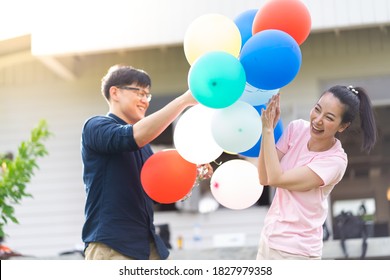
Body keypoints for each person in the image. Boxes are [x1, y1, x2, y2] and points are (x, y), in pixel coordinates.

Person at [81, 64, 212, 260]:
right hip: (112, 247)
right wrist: (183, 101)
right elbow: (132, 136)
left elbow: (157, 191)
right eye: (139, 93)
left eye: (147, 95)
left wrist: (190, 171)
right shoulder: (95, 126)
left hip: (146, 247)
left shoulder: (145, 147)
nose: (145, 100)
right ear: (115, 93)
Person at [257, 85, 377, 260]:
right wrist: (266, 131)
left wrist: (268, 130)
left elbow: (276, 178)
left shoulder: (335, 161)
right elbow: (264, 178)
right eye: (317, 109)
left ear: (342, 126)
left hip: (297, 252)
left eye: (328, 117)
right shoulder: (296, 129)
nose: (318, 120)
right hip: (268, 239)